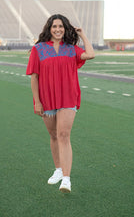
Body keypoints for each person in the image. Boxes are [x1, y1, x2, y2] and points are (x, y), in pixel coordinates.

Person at [26, 14, 95, 193]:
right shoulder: (38, 49)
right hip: (47, 99)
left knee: (63, 134)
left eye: (61, 27)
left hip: (68, 98)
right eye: (54, 26)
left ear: (65, 29)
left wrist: (83, 35)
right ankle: (58, 170)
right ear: (49, 28)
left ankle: (66, 179)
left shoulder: (71, 48)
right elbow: (34, 77)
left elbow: (91, 54)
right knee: (54, 136)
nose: (58, 29)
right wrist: (37, 102)